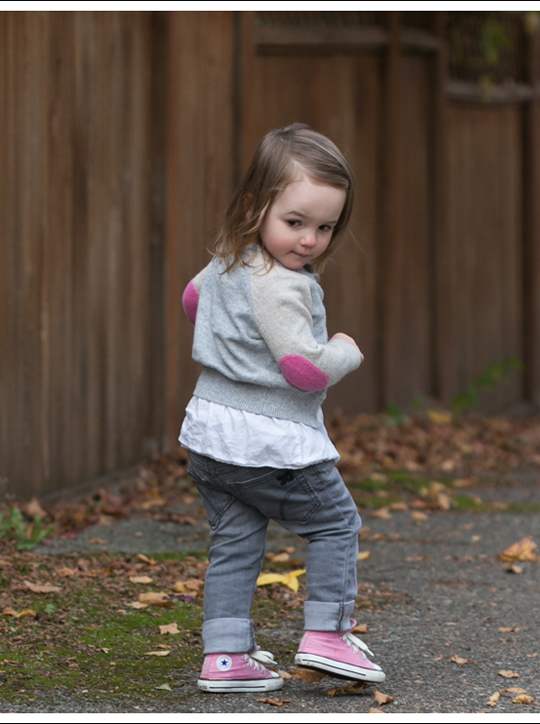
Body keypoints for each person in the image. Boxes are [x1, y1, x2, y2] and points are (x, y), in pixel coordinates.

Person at [179, 123, 385, 693]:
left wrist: (234, 347)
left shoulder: (228, 262)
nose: (310, 240)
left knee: (237, 537)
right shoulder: (281, 285)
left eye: (325, 226)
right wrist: (343, 351)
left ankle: (224, 656)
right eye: (295, 222)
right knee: (336, 523)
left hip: (210, 432)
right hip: (268, 440)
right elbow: (304, 369)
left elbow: (192, 301)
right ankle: (327, 635)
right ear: (254, 205)